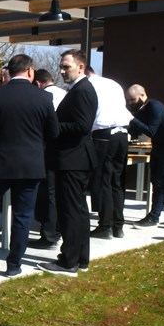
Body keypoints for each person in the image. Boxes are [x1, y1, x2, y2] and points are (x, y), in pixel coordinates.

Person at [0, 54, 58, 277]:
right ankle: (14, 264)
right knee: (22, 216)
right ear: (30, 71)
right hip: (30, 165)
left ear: (9, 71)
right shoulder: (44, 98)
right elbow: (53, 132)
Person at [38, 50, 97, 276]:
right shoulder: (78, 89)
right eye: (61, 67)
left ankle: (68, 261)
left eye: (66, 67)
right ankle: (80, 258)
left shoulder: (83, 91)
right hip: (73, 158)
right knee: (78, 211)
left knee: (70, 211)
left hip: (73, 159)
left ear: (80, 67)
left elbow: (82, 126)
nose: (62, 71)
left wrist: (53, 125)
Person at [126, 84, 164, 226]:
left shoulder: (154, 107)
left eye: (133, 100)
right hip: (158, 145)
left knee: (161, 181)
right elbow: (135, 130)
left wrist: (132, 119)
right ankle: (153, 214)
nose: (130, 103)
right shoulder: (142, 109)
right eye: (128, 100)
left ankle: (154, 216)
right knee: (155, 180)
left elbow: (151, 131)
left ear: (142, 95)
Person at [86, 67, 131, 239]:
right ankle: (118, 226)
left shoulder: (88, 85)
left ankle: (105, 226)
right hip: (122, 134)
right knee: (117, 181)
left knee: (103, 180)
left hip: (104, 134)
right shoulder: (113, 84)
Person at [30, 69, 67, 248]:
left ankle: (49, 236)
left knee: (47, 193)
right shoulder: (65, 93)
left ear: (38, 83)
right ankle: (57, 230)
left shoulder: (43, 97)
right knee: (59, 193)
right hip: (65, 150)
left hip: (47, 148)